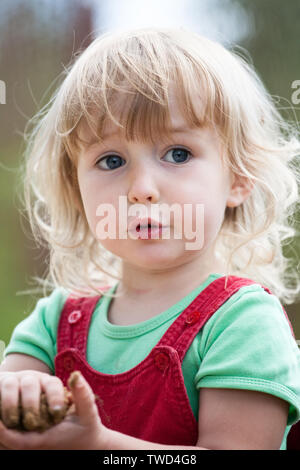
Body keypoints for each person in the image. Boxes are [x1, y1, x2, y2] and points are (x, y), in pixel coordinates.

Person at [0, 27, 300, 450]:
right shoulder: (53, 324)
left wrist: (97, 445)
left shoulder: (243, 324)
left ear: (239, 177)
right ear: (76, 189)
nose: (142, 188)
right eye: (111, 160)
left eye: (178, 154)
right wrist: (20, 395)